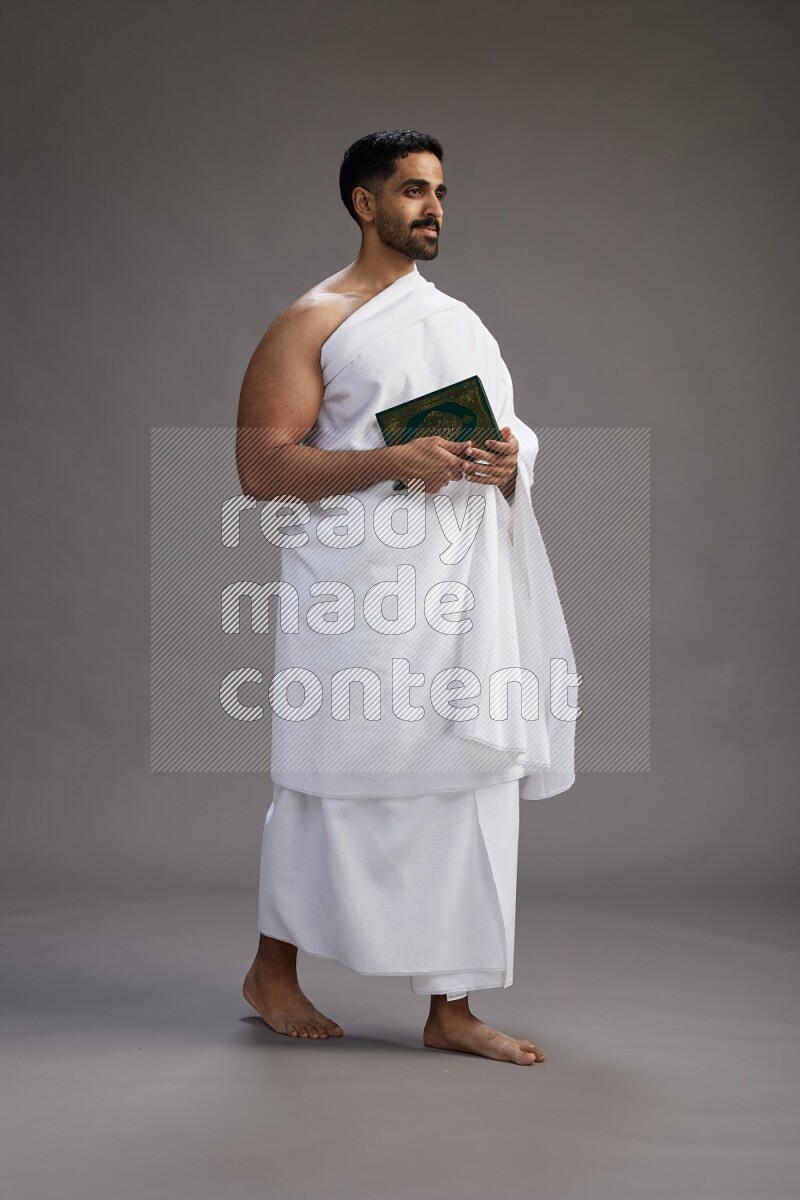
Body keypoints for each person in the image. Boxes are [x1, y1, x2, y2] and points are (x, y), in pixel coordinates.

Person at [236, 130, 579, 1065]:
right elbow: (262, 469)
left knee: (468, 787)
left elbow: (499, 434)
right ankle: (272, 972)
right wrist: (393, 461)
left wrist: (513, 458)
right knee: (329, 785)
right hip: (361, 604)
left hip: (464, 599)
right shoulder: (310, 322)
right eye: (413, 191)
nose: (432, 207)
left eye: (439, 192)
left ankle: (452, 1009)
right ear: (363, 202)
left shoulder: (458, 319)